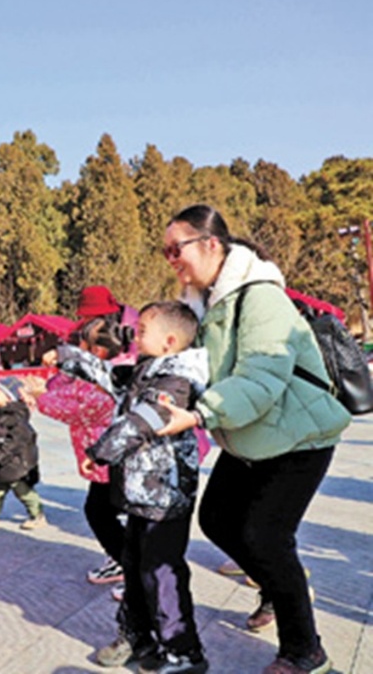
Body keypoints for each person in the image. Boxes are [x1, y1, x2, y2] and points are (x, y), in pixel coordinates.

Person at [157, 204, 350, 674]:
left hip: (300, 438)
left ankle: (306, 651)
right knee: (219, 519)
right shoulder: (208, 305)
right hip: (254, 436)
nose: (170, 260)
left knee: (266, 536)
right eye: (163, 252)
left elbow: (261, 379)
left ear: (211, 244)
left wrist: (199, 415)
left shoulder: (259, 296)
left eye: (175, 249)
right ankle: (277, 587)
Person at [50, 301, 210, 673]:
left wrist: (100, 452)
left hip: (163, 498)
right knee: (137, 567)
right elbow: (106, 374)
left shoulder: (176, 382)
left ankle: (184, 652)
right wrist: (65, 355)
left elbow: (141, 423)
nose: (134, 336)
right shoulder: (148, 371)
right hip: (141, 493)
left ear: (169, 341)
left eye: (142, 332)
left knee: (162, 573)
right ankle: (140, 639)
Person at [38, 317, 126, 593]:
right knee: (107, 510)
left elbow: (72, 409)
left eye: (83, 341)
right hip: (99, 458)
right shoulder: (92, 371)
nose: (78, 345)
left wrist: (37, 396)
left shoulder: (104, 383)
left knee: (99, 512)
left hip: (107, 457)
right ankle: (121, 558)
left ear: (97, 351)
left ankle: (129, 565)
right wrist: (52, 377)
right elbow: (63, 386)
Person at [0, 376, 46, 531]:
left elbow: (17, 442)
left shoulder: (15, 418)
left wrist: (0, 457)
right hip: (0, 463)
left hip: (14, 465)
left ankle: (37, 516)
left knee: (24, 493)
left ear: (9, 398)